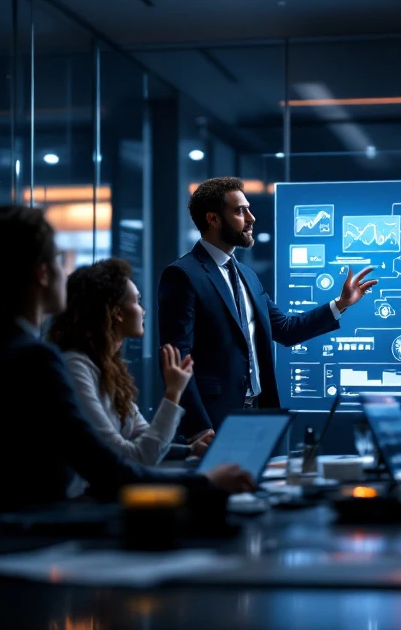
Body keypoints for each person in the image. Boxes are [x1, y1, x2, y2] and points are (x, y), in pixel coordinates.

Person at [0, 205, 255, 520]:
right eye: (57, 260)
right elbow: (110, 470)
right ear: (41, 274)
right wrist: (205, 483)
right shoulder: (33, 360)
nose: (64, 273)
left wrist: (190, 457)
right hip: (26, 541)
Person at [159, 177, 376, 437]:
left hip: (257, 413)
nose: (251, 218)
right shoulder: (183, 274)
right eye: (240, 210)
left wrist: (341, 304)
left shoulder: (246, 275)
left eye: (248, 209)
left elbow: (285, 330)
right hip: (214, 419)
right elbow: (177, 361)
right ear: (213, 219)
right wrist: (199, 428)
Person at [48, 259, 213, 477]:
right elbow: (135, 455)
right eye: (137, 301)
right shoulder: (76, 367)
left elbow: (146, 442)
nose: (143, 311)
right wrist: (173, 394)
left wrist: (190, 451)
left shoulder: (108, 368)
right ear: (117, 312)